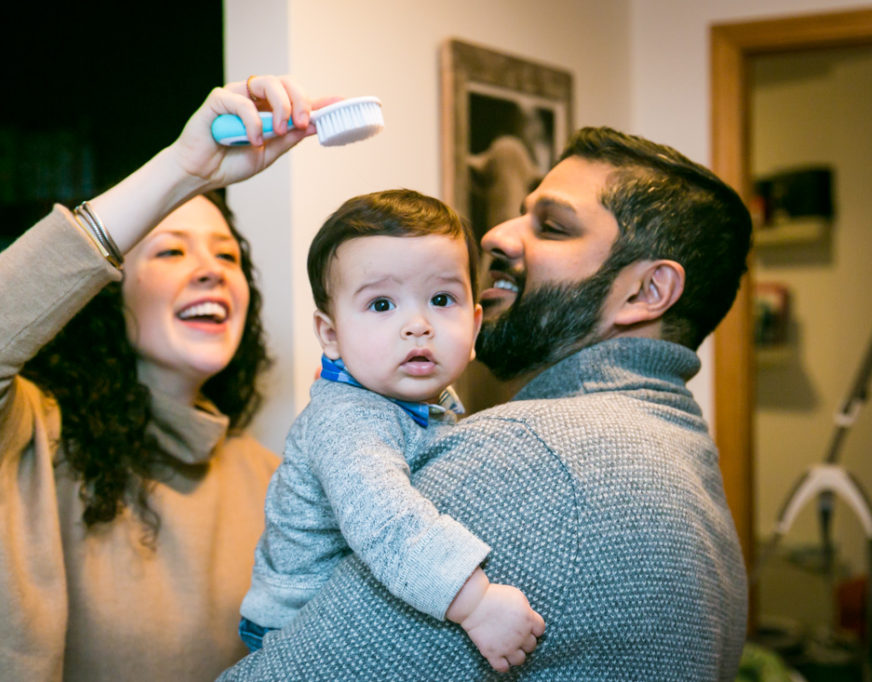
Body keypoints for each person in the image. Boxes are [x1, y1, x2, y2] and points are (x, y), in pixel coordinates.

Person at [220, 126, 752, 680]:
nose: (496, 235)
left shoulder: (535, 459)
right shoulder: (691, 469)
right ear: (329, 331)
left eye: (552, 226)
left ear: (647, 293)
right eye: (380, 304)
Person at [0, 74, 322, 681]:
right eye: (171, 251)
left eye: (227, 256)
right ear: (103, 292)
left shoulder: (273, 480)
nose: (212, 271)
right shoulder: (22, 450)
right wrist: (184, 168)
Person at [238, 189, 544, 672]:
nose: (417, 325)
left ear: (475, 325)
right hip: (294, 625)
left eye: (442, 299)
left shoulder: (425, 400)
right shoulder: (347, 420)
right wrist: (475, 602)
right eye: (381, 305)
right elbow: (386, 522)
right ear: (331, 335)